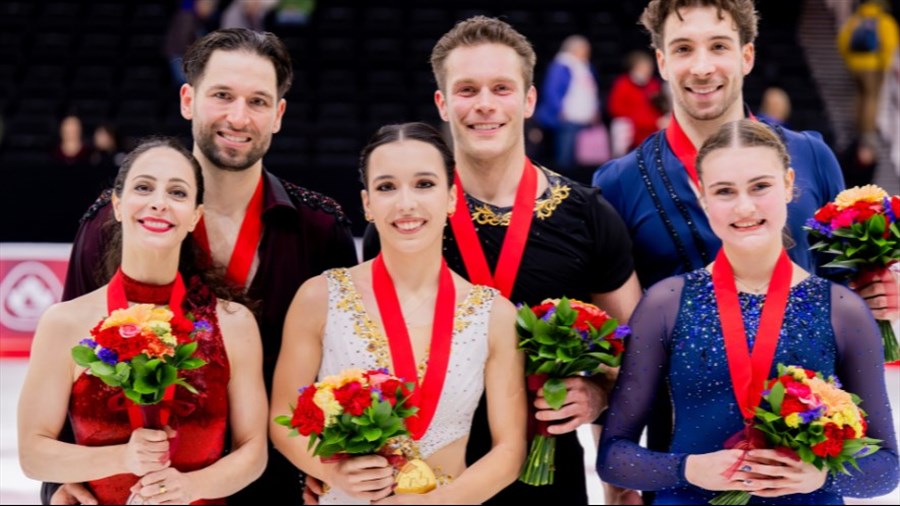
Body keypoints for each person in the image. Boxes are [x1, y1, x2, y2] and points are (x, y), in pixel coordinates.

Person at [45, 28, 358, 505]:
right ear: (188, 99)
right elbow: (73, 365)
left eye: (257, 101)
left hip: (278, 489)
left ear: (278, 115)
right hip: (142, 488)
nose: (238, 116)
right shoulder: (112, 222)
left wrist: (329, 459)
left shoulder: (321, 228)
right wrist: (65, 476)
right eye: (222, 96)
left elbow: (342, 369)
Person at [359, 16, 643, 505]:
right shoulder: (404, 220)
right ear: (443, 104)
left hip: (548, 478)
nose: (485, 104)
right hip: (419, 481)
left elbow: (633, 359)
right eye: (467, 89)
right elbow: (364, 357)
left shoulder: (589, 216)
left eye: (501, 88)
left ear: (529, 100)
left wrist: (597, 398)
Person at [597, 119, 899, 504]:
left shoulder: (841, 311)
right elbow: (613, 456)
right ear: (703, 198)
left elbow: (886, 469)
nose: (744, 206)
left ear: (789, 183)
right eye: (725, 191)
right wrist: (687, 468)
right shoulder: (665, 304)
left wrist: (821, 476)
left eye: (760, 187)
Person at [272, 122, 526, 504]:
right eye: (387, 187)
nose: (406, 203)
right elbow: (283, 417)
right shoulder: (319, 297)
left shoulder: (496, 315)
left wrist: (431, 504)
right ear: (367, 203)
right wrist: (328, 469)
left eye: (424, 184)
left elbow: (509, 451)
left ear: (452, 197)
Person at [18, 137, 269, 504]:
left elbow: (254, 451)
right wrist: (120, 457)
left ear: (194, 217)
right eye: (144, 187)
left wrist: (190, 488)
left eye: (178, 193)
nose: (159, 202)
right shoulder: (64, 323)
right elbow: (32, 454)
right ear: (118, 205)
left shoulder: (233, 324)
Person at [534, 35, 603, 174]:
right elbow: (552, 90)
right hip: (567, 116)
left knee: (580, 156)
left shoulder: (585, 67)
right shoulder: (561, 66)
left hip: (584, 116)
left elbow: (591, 91)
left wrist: (595, 109)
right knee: (565, 155)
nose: (587, 53)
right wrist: (559, 109)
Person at [837, 0, 899, 149]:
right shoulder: (884, 20)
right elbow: (890, 44)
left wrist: (850, 60)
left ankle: (857, 127)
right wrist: (883, 65)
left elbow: (842, 40)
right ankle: (868, 132)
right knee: (871, 98)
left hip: (856, 65)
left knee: (860, 96)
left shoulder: (856, 19)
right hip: (873, 66)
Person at [607, 50, 667, 150]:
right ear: (635, 67)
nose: (648, 69)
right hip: (631, 131)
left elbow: (659, 108)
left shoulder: (654, 84)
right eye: (644, 67)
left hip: (651, 131)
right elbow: (615, 108)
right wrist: (644, 121)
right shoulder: (623, 84)